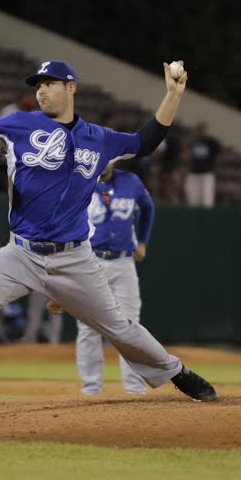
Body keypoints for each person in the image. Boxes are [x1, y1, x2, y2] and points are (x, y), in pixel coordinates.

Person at [0, 58, 218, 420]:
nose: (40, 91)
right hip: (20, 253)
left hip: (75, 258)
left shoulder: (98, 138)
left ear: (71, 88)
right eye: (37, 85)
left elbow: (145, 142)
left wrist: (173, 95)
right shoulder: (16, 126)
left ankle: (177, 372)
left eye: (49, 83)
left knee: (119, 327)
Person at [48, 161, 156, 395]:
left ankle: (135, 390)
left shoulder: (131, 181)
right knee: (88, 328)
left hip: (124, 261)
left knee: (131, 325)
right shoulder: (78, 181)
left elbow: (148, 207)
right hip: (89, 260)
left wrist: (144, 241)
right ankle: (91, 391)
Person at [184, 123, 221, 207]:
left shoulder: (211, 142)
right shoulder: (193, 142)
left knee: (206, 200)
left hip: (206, 174)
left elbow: (219, 155)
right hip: (193, 173)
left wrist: (214, 167)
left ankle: (207, 219)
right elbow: (187, 155)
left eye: (202, 130)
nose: (201, 132)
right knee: (192, 199)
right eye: (199, 130)